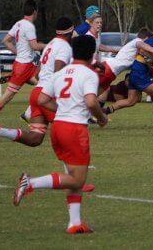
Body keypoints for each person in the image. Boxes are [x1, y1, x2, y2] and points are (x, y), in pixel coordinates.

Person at [13, 35, 108, 235]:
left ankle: (74, 223)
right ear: (92, 55)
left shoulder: (61, 73)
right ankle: (30, 183)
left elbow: (42, 99)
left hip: (58, 127)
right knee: (77, 181)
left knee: (72, 177)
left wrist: (63, 108)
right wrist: (101, 118)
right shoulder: (89, 74)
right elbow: (91, 102)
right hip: (74, 129)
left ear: (73, 52)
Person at [0, 17, 74, 150]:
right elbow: (57, 72)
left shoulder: (49, 45)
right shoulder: (64, 47)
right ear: (71, 31)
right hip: (47, 95)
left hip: (36, 93)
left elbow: (38, 74)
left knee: (35, 138)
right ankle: (75, 167)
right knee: (70, 128)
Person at [0, 0, 46, 127]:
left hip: (25, 65)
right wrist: (49, 45)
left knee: (45, 86)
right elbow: (34, 46)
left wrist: (18, 52)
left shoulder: (18, 24)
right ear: (35, 12)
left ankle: (27, 114)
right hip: (24, 67)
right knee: (7, 97)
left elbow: (6, 40)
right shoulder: (29, 26)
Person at [102, 28, 153, 126]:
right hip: (139, 74)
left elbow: (151, 59)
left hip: (136, 74)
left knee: (131, 101)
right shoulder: (151, 41)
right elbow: (142, 51)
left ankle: (105, 111)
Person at [97, 28, 153, 103]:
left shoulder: (135, 48)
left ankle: (98, 112)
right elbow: (140, 44)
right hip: (109, 69)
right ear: (146, 38)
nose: (149, 44)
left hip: (112, 71)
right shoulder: (138, 41)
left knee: (102, 91)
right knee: (94, 91)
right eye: (148, 41)